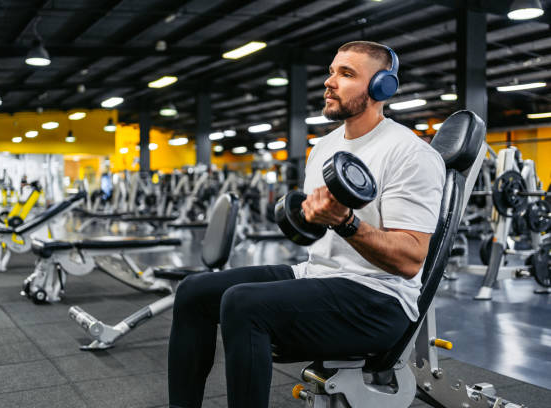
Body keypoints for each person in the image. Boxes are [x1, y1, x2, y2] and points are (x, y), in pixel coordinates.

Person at [167, 41, 446, 408]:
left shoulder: (408, 153)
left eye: (346, 74)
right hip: (318, 275)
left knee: (242, 303)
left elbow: (410, 260)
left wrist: (346, 222)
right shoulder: (325, 147)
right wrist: (309, 217)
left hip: (380, 299)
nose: (330, 82)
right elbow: (314, 231)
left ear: (382, 87)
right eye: (331, 71)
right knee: (193, 292)